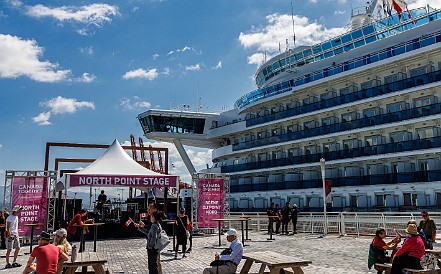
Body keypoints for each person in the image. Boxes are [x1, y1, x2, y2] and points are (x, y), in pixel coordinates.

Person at [134, 202, 162, 274]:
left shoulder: (156, 222)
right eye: (148, 208)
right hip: (153, 247)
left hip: (153, 247)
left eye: (150, 208)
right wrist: (141, 227)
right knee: (152, 265)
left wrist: (150, 246)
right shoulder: (152, 221)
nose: (148, 210)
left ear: (155, 209)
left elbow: (153, 235)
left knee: (155, 265)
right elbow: (149, 232)